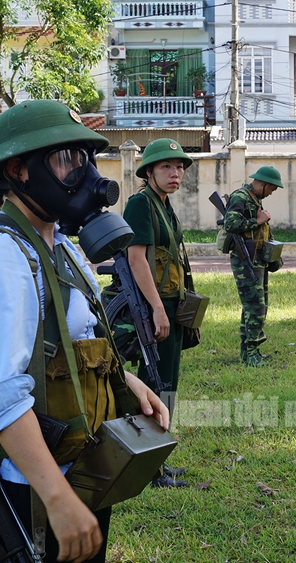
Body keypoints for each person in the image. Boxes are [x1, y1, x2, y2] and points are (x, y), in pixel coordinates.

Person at [0, 100, 171, 563]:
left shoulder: (62, 248)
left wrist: (126, 382)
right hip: (30, 490)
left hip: (81, 466)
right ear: (19, 170)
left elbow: (77, 338)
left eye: (87, 159)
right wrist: (56, 498)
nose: (87, 176)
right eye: (68, 160)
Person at [105, 138, 193, 488]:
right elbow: (135, 258)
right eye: (167, 167)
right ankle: (148, 466)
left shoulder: (164, 204)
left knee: (166, 384)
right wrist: (157, 309)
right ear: (149, 173)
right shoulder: (141, 205)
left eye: (180, 167)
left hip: (171, 302)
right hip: (154, 305)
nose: (176, 173)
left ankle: (159, 460)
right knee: (154, 383)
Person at [223, 166, 284, 366]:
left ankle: (249, 351)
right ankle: (251, 352)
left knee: (255, 305)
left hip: (257, 259)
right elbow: (230, 224)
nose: (272, 193)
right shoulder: (240, 197)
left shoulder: (254, 199)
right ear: (263, 184)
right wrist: (257, 220)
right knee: (256, 307)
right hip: (245, 260)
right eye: (271, 189)